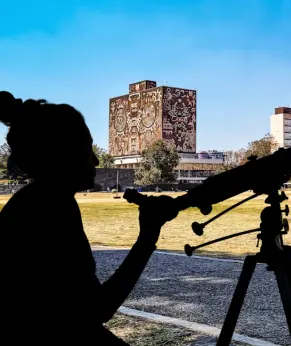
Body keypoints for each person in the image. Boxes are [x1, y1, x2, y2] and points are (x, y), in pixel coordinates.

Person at [0, 92, 179, 345]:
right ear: (63, 153)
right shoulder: (50, 209)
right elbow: (96, 309)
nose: (95, 160)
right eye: (87, 148)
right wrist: (147, 238)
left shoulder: (38, 202)